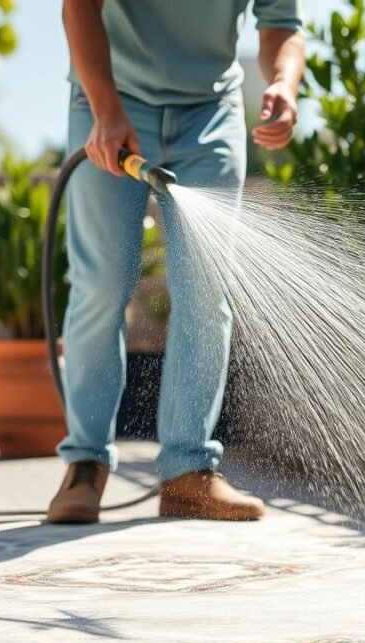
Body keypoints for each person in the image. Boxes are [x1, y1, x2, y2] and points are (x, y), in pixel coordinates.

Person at [48, 0, 305, 524]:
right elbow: (79, 7)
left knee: (208, 293)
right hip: (111, 100)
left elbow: (281, 28)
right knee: (102, 284)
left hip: (209, 115)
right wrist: (106, 109)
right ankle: (85, 465)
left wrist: (284, 83)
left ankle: (189, 472)